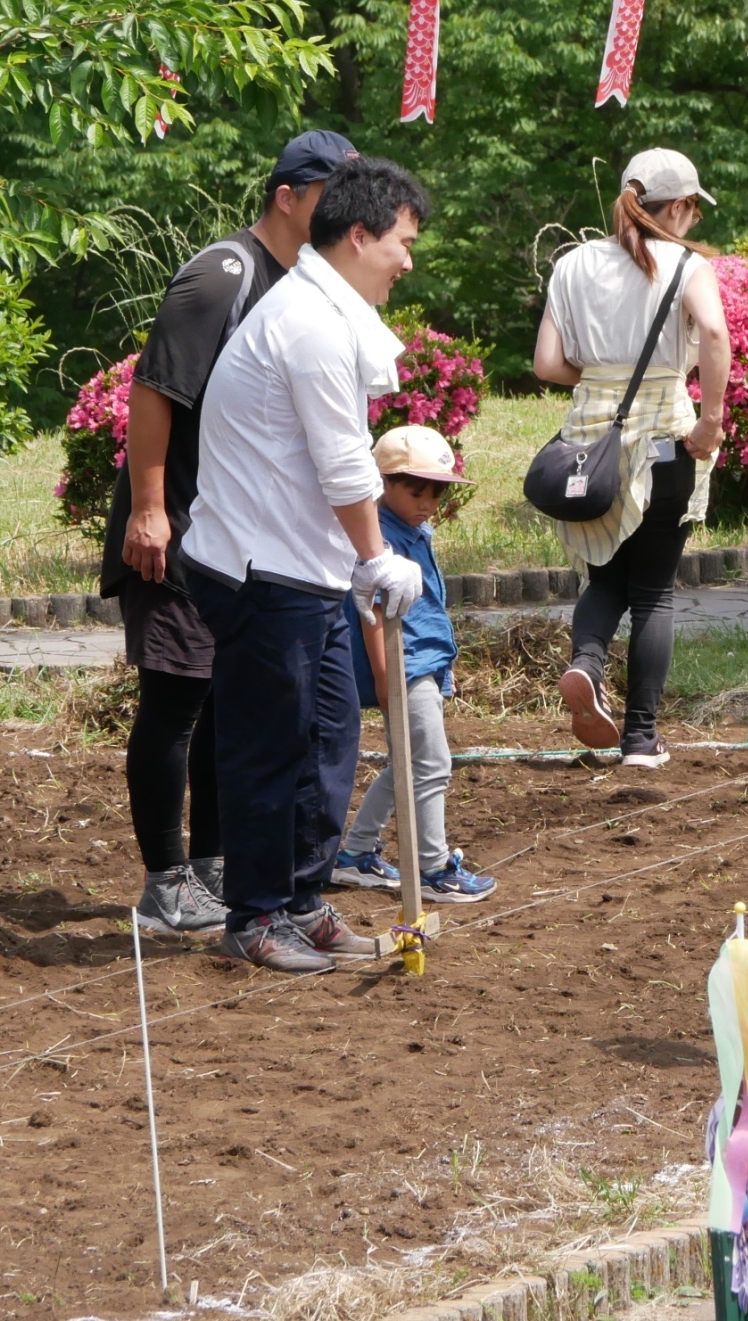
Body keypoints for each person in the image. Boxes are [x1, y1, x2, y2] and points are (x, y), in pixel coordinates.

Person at [107, 129, 359, 938]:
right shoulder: (223, 275)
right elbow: (155, 392)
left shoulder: (304, 286)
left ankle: (214, 861)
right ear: (289, 196)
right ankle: (165, 879)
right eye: (335, 196)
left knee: (230, 700)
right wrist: (151, 508)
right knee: (177, 697)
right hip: (177, 527)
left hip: (240, 539)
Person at [184, 157, 430, 973]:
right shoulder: (311, 323)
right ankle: (253, 915)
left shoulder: (328, 310)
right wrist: (379, 555)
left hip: (308, 569)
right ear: (359, 236)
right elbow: (343, 464)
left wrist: (358, 565)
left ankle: (300, 894)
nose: (406, 260)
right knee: (271, 743)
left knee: (328, 737)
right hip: (259, 569)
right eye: (401, 241)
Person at [535, 149, 733, 769]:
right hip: (665, 439)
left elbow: (545, 365)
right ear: (675, 207)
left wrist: (603, 377)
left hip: (589, 442)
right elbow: (717, 335)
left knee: (605, 580)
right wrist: (710, 420)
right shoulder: (685, 265)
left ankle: (587, 665)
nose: (692, 223)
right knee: (652, 593)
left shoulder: (571, 264)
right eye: (692, 210)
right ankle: (641, 739)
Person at [330, 426, 497, 904]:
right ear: (382, 483)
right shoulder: (381, 540)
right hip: (406, 667)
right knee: (433, 764)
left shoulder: (414, 532)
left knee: (408, 761)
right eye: (415, 490)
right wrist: (387, 678)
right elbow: (372, 615)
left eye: (436, 493)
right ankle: (432, 867)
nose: (427, 502)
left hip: (425, 661)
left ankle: (356, 854)